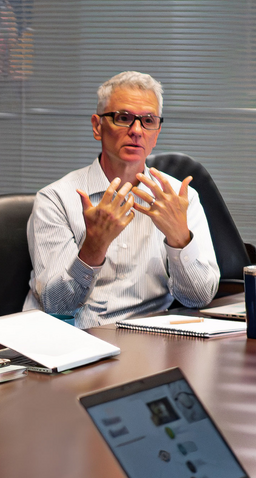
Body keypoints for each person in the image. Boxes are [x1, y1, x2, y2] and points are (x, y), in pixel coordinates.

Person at [23, 71, 219, 328]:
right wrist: (93, 247)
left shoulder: (179, 198)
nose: (137, 131)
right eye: (123, 118)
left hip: (151, 340)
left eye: (148, 120)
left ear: (157, 132)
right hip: (76, 341)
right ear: (97, 126)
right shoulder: (56, 199)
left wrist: (180, 238)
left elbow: (198, 298)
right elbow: (56, 306)